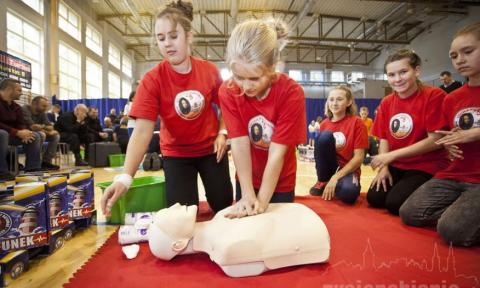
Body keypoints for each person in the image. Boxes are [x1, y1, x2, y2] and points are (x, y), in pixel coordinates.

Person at [101, 0, 233, 216]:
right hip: (176, 154)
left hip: (210, 151)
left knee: (224, 205)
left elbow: (227, 107)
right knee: (182, 214)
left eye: (173, 36)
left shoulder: (209, 71)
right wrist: (125, 177)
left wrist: (222, 132)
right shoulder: (152, 80)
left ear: (188, 36)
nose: (167, 44)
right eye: (161, 38)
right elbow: (142, 131)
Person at [400, 22, 480, 247]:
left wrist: (475, 134)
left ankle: (458, 220)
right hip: (456, 174)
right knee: (409, 213)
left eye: (468, 52)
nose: (459, 60)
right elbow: (447, 134)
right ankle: (461, 215)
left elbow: (470, 134)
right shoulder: (452, 98)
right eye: (454, 56)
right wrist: (448, 143)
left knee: (451, 230)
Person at [219, 18, 306, 218]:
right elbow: (239, 144)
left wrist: (262, 201)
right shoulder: (229, 91)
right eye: (238, 76)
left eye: (255, 78)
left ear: (273, 67)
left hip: (281, 180)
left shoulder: (291, 92)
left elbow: (277, 153)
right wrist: (248, 195)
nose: (246, 86)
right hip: (247, 178)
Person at [366, 49, 448, 215]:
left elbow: (436, 139)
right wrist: (384, 168)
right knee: (374, 199)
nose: (397, 79)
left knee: (394, 204)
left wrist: (391, 156)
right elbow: (384, 138)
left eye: (403, 72)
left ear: (416, 70)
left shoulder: (434, 95)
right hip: (397, 164)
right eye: (391, 75)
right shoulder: (387, 102)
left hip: (425, 165)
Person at [148, 202, 330, 277]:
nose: (176, 206)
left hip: (303, 219)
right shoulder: (227, 250)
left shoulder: (220, 216)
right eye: (169, 216)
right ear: (178, 244)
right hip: (312, 230)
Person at [309, 86, 368, 204]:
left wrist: (336, 177)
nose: (334, 103)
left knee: (348, 194)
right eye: (331, 99)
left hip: (347, 169)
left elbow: (359, 157)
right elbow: (320, 155)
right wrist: (329, 177)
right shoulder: (324, 124)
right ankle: (323, 181)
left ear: (349, 102)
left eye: (339, 99)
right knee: (325, 136)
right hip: (329, 169)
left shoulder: (357, 123)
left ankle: (335, 184)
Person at [0, 78, 42, 179]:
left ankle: (32, 169)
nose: (21, 93)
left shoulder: (16, 107)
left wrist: (24, 132)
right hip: (4, 134)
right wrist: (17, 132)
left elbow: (20, 123)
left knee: (34, 135)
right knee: (2, 134)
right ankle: (2, 171)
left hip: (10, 134)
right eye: (19, 90)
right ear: (9, 89)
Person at [22, 96, 60, 170]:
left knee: (55, 136)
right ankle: (33, 165)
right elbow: (32, 127)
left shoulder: (42, 113)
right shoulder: (25, 109)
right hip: (25, 133)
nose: (45, 108)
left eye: (46, 106)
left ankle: (46, 162)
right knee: (40, 135)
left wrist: (42, 127)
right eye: (43, 106)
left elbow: (51, 127)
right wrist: (45, 129)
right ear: (34, 104)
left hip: (38, 132)